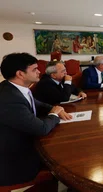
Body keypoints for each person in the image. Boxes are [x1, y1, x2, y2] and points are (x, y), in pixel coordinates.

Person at [0, 53, 71, 186]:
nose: (39, 71)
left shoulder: (13, 87)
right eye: (34, 69)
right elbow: (41, 129)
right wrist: (54, 115)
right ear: (20, 74)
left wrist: (55, 108)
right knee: (65, 156)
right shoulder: (9, 98)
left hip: (24, 144)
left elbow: (37, 103)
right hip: (16, 161)